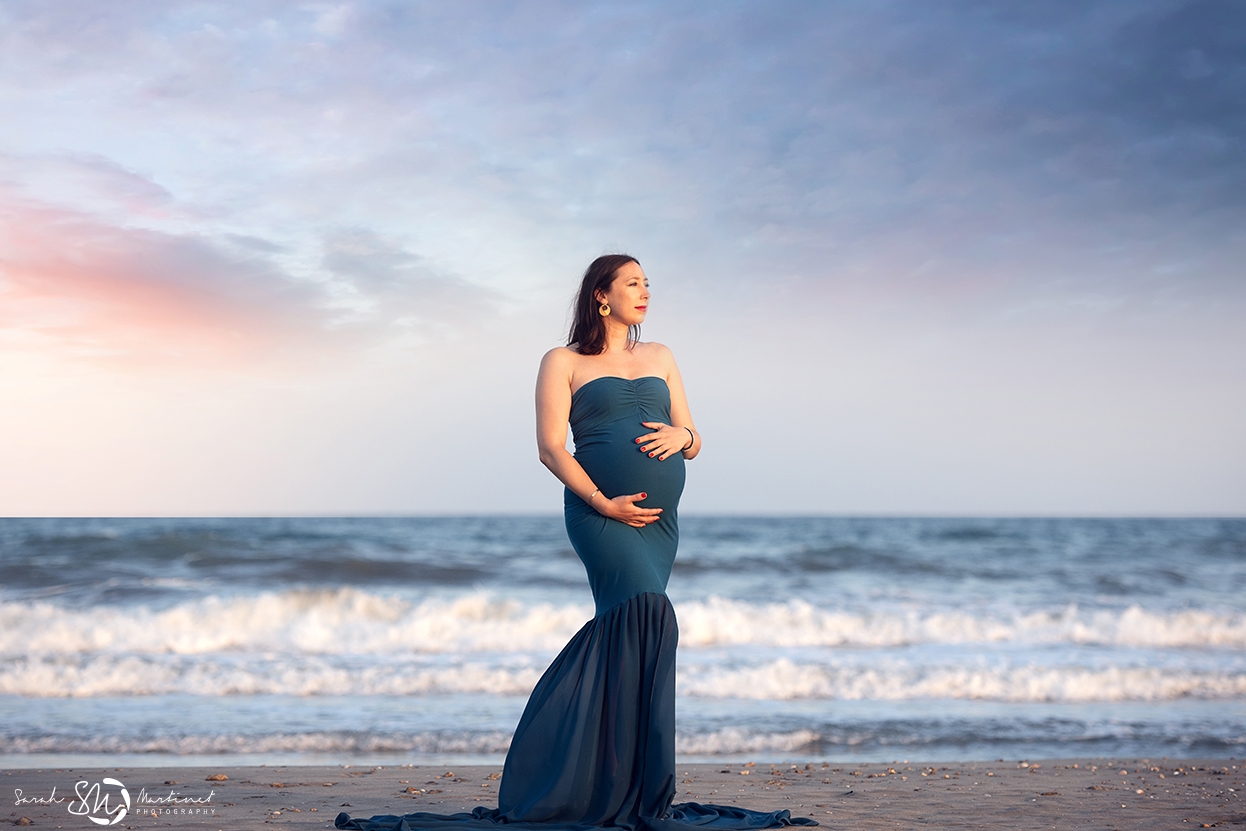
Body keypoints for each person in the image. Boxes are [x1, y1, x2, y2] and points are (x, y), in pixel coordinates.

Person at [336, 255, 813, 831]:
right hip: (598, 513)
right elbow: (550, 447)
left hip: (660, 523)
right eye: (633, 284)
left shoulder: (661, 356)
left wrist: (684, 434)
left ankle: (625, 785)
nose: (645, 293)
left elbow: (695, 438)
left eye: (647, 284)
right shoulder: (561, 361)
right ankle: (568, 766)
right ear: (601, 296)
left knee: (642, 629)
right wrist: (603, 502)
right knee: (644, 614)